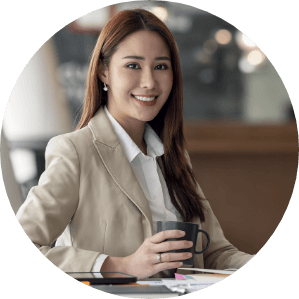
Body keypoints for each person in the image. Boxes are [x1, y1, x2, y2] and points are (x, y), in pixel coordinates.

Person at [16, 8, 255, 279]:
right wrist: (120, 266)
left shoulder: (175, 158)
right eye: (133, 65)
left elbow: (215, 254)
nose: (149, 81)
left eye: (161, 66)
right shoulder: (75, 152)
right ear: (104, 72)